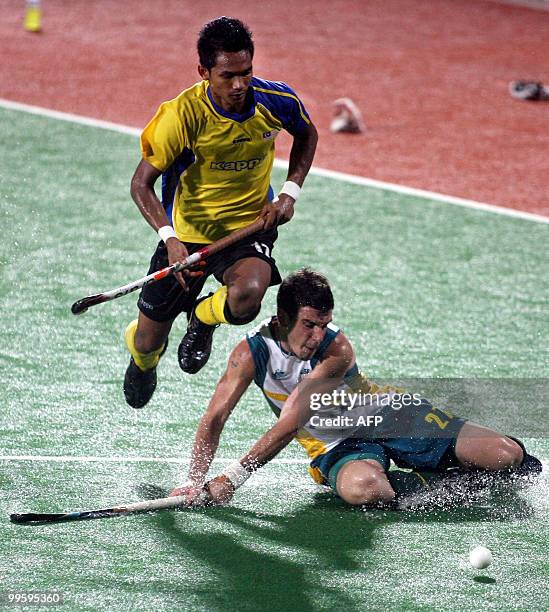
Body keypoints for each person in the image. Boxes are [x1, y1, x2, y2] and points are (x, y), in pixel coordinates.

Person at [170, 268, 541, 508]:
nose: (319, 335)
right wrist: (193, 480)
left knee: (504, 455)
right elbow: (215, 416)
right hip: (335, 444)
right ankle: (430, 482)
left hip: (389, 413)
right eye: (310, 324)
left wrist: (231, 478)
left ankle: (471, 462)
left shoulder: (337, 349)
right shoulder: (249, 354)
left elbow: (292, 420)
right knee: (365, 489)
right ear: (283, 318)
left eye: (325, 323)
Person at [123, 16, 318, 408]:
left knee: (248, 295)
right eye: (228, 75)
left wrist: (288, 194)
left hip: (249, 227)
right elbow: (140, 184)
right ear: (204, 71)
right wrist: (170, 239)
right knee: (148, 341)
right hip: (188, 235)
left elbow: (307, 133)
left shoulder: (275, 100)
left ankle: (204, 317)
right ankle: (143, 362)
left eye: (246, 72)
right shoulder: (181, 116)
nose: (239, 85)